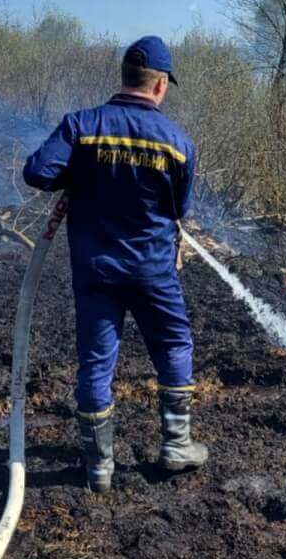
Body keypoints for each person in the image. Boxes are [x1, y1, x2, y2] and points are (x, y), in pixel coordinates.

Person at [22, 35, 209, 493]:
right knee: (173, 345)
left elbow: (37, 172)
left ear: (124, 77)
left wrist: (79, 175)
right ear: (160, 85)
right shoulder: (178, 143)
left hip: (96, 271)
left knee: (96, 362)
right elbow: (179, 209)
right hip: (153, 270)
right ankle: (176, 444)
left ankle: (98, 468)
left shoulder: (81, 126)